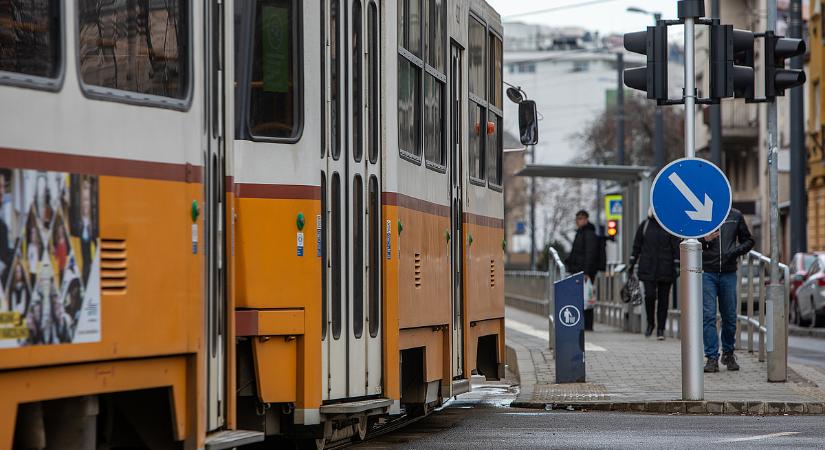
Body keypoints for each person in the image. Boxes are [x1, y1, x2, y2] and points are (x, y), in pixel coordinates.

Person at [701, 208, 754, 373]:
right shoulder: (701, 212)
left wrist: (734, 252)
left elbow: (749, 241)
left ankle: (728, 353)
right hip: (707, 271)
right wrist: (704, 240)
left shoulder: (735, 215)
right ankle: (711, 357)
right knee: (709, 316)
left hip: (728, 272)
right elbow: (687, 240)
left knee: (730, 317)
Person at [628, 208, 680, 340]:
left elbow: (676, 247)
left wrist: (677, 265)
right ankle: (651, 323)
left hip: (665, 268)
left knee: (663, 300)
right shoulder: (645, 225)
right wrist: (632, 262)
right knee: (649, 296)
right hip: (648, 267)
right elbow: (637, 245)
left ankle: (661, 329)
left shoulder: (669, 226)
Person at [565, 210, 599, 330]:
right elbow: (576, 252)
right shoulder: (580, 233)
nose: (578, 221)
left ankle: (588, 325)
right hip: (578, 271)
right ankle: (582, 324)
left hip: (584, 273)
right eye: (577, 219)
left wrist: (587, 272)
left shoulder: (588, 233)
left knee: (586, 298)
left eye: (580, 218)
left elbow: (590, 254)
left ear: (586, 219)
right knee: (581, 298)